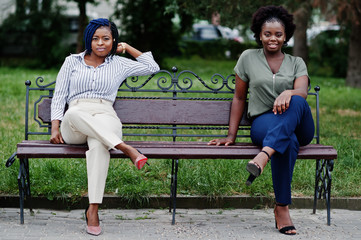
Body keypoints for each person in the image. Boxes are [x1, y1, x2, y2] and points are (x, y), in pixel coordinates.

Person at [208, 5, 314, 235]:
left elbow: (303, 93)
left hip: (299, 123)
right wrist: (231, 136)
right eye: (267, 34)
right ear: (259, 34)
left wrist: (288, 93)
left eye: (278, 34)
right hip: (264, 122)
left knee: (296, 101)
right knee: (288, 142)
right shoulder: (248, 58)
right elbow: (238, 97)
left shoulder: (297, 62)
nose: (273, 39)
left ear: (286, 36)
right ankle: (282, 208)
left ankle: (264, 155)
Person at [50, 18, 160, 236]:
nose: (100, 43)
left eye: (106, 39)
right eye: (95, 39)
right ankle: (126, 148)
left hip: (105, 115)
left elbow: (152, 67)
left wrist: (127, 47)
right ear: (88, 40)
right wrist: (55, 127)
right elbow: (60, 95)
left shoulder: (118, 63)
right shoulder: (72, 61)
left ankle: (93, 209)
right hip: (75, 120)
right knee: (72, 112)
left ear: (113, 41)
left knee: (100, 146)